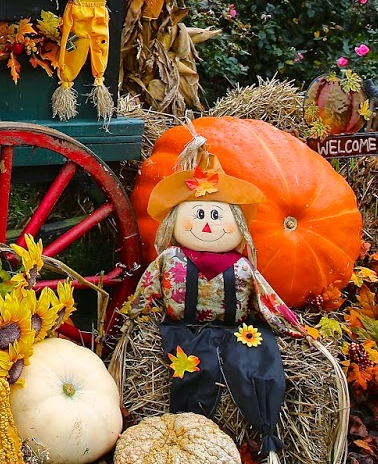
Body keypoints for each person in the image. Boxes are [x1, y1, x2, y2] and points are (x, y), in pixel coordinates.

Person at [129, 138, 303, 464]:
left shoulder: (242, 268)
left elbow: (267, 300)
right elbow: (146, 291)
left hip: (234, 329)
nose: (208, 223)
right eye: (198, 214)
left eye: (217, 215)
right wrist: (132, 318)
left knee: (253, 361)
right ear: (176, 220)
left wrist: (292, 327)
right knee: (191, 367)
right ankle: (190, 432)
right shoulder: (170, 260)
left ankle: (265, 433)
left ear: (237, 225)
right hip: (182, 329)